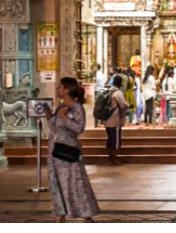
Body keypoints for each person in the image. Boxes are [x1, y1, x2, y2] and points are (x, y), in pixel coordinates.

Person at [48, 76, 99, 222]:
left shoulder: (77, 107)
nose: (57, 89)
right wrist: (50, 118)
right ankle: (60, 214)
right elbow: (54, 127)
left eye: (60, 87)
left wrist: (64, 118)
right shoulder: (60, 106)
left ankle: (85, 215)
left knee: (74, 182)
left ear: (67, 89)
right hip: (55, 150)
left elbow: (79, 127)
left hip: (68, 150)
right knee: (56, 182)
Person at [103, 74, 130, 164]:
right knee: (115, 140)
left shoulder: (108, 91)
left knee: (110, 138)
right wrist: (128, 105)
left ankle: (110, 159)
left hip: (107, 119)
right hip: (115, 119)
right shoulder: (118, 93)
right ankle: (114, 159)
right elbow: (123, 105)